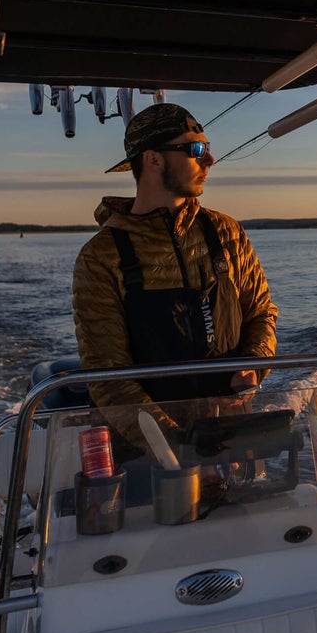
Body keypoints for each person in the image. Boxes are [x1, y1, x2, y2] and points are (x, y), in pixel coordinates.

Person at [71, 103, 277, 448]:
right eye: (196, 150)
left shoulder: (227, 232)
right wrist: (177, 446)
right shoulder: (100, 257)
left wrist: (252, 367)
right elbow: (108, 378)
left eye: (207, 149)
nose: (209, 160)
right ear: (153, 160)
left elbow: (261, 313)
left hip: (230, 440)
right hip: (149, 456)